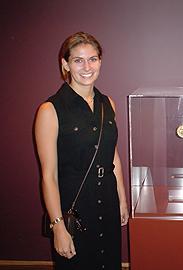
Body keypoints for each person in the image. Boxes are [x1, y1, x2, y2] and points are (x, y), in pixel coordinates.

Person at [35, 32, 129, 270]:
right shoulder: (50, 110)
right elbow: (49, 175)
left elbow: (113, 157)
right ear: (65, 64)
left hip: (107, 202)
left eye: (93, 59)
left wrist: (122, 200)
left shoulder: (109, 104)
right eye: (78, 60)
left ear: (100, 62)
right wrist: (58, 227)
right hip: (74, 209)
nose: (87, 67)